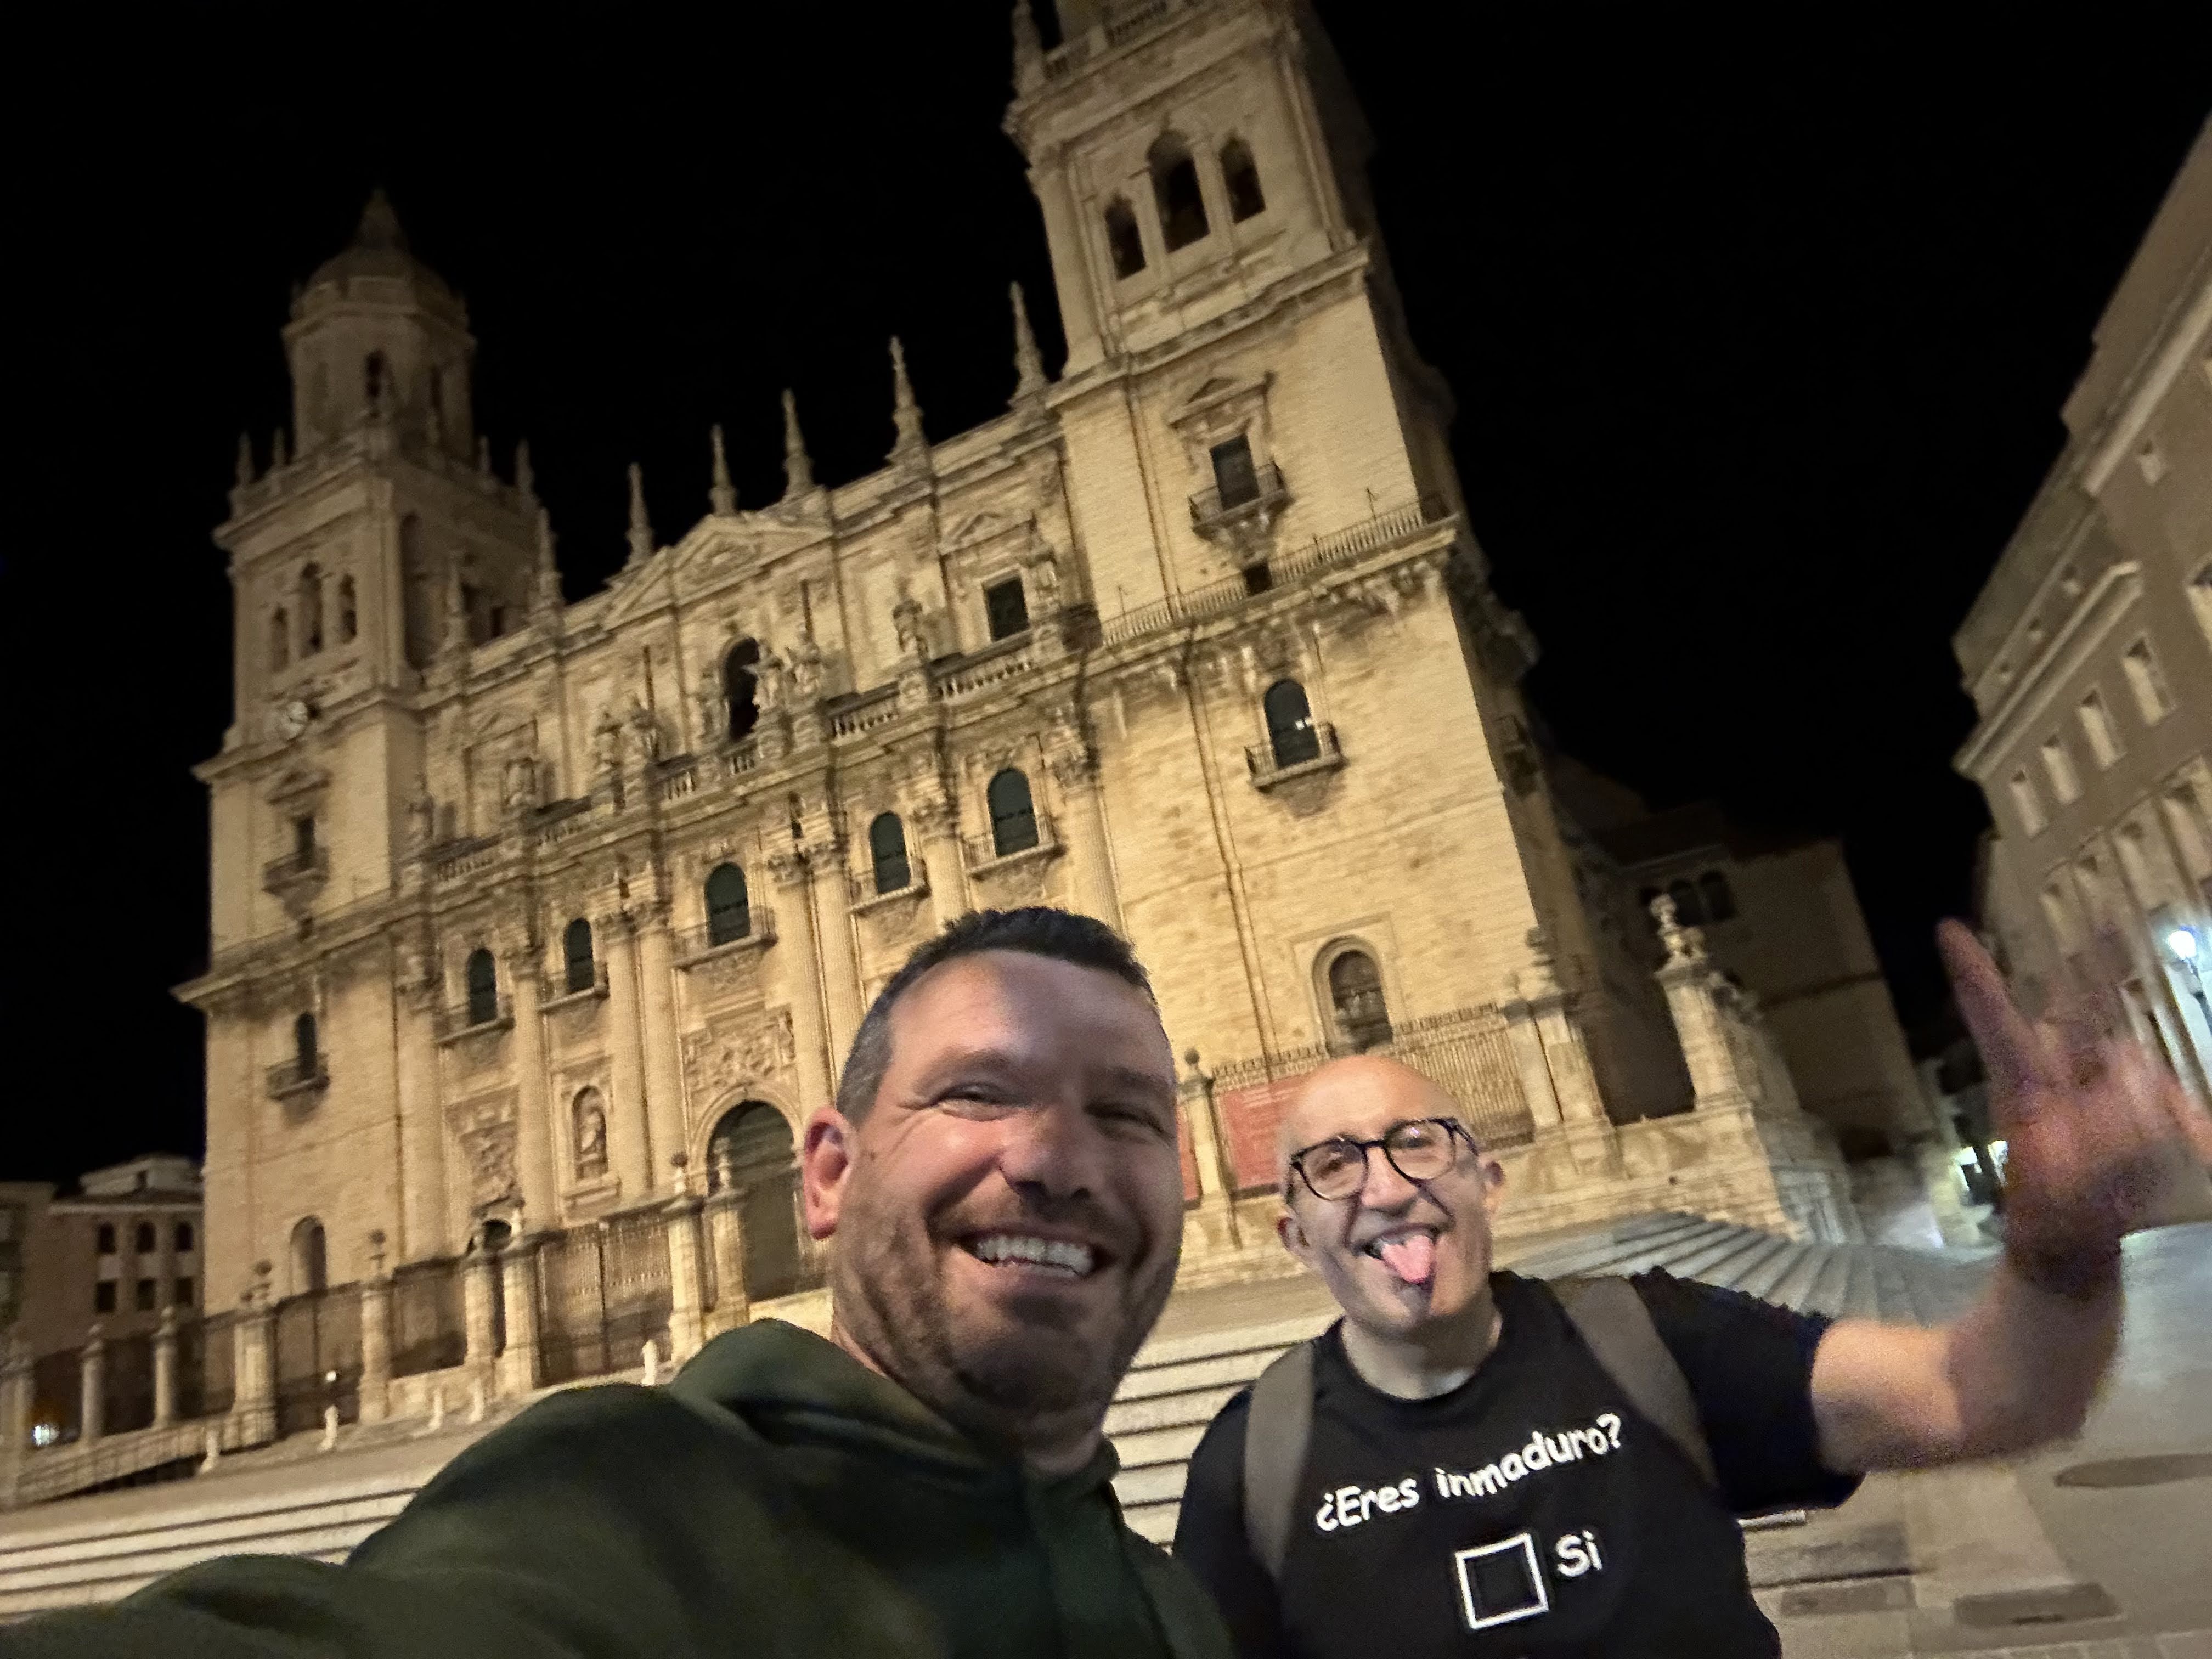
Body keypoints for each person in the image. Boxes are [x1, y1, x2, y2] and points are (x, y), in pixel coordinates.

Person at [21, 907, 1232, 1659]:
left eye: (1126, 1113)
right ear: (825, 1174)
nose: (1055, 1160)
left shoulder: (1175, 1611)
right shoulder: (632, 1500)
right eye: (975, 1091)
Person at [1173, 922, 2212, 1657]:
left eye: (1416, 1143)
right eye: (1334, 1165)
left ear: (1487, 1179)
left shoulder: (1654, 1337)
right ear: (1294, 1235)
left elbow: (1985, 1397)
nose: (1387, 1187)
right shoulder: (1248, 1467)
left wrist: (2063, 1245)